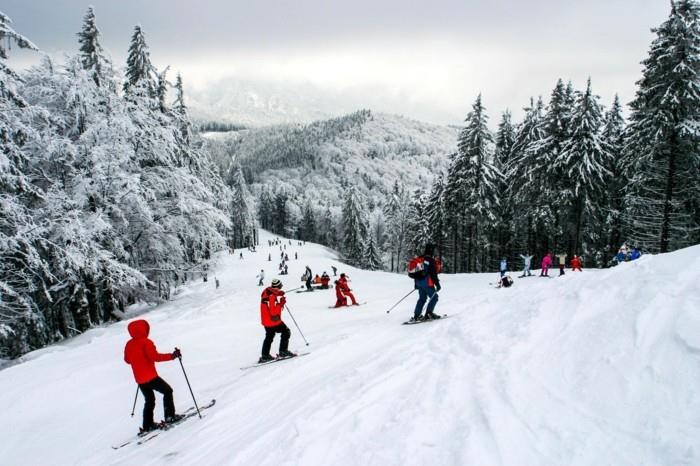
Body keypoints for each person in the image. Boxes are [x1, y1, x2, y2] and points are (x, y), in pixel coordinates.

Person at [124, 319, 183, 434]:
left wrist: (137, 360)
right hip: (150, 377)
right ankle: (170, 416)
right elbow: (155, 357)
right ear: (144, 329)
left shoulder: (129, 344)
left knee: (149, 400)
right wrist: (172, 356)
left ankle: (148, 425)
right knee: (167, 391)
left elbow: (127, 360)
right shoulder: (147, 342)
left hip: (140, 379)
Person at [259, 279, 295, 363]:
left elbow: (271, 295)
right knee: (286, 332)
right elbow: (273, 312)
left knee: (269, 336)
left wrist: (278, 293)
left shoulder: (267, 292)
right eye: (280, 286)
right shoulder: (272, 296)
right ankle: (283, 351)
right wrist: (280, 304)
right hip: (273, 320)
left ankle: (265, 355)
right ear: (278, 286)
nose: (281, 288)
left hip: (266, 321)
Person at [412, 244, 441, 322]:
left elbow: (416, 272)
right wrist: (437, 284)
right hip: (427, 283)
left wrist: (416, 284)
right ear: (431, 250)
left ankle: (416, 315)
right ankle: (429, 313)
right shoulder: (430, 260)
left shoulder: (420, 258)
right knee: (434, 297)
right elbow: (433, 273)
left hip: (419, 283)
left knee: (422, 298)